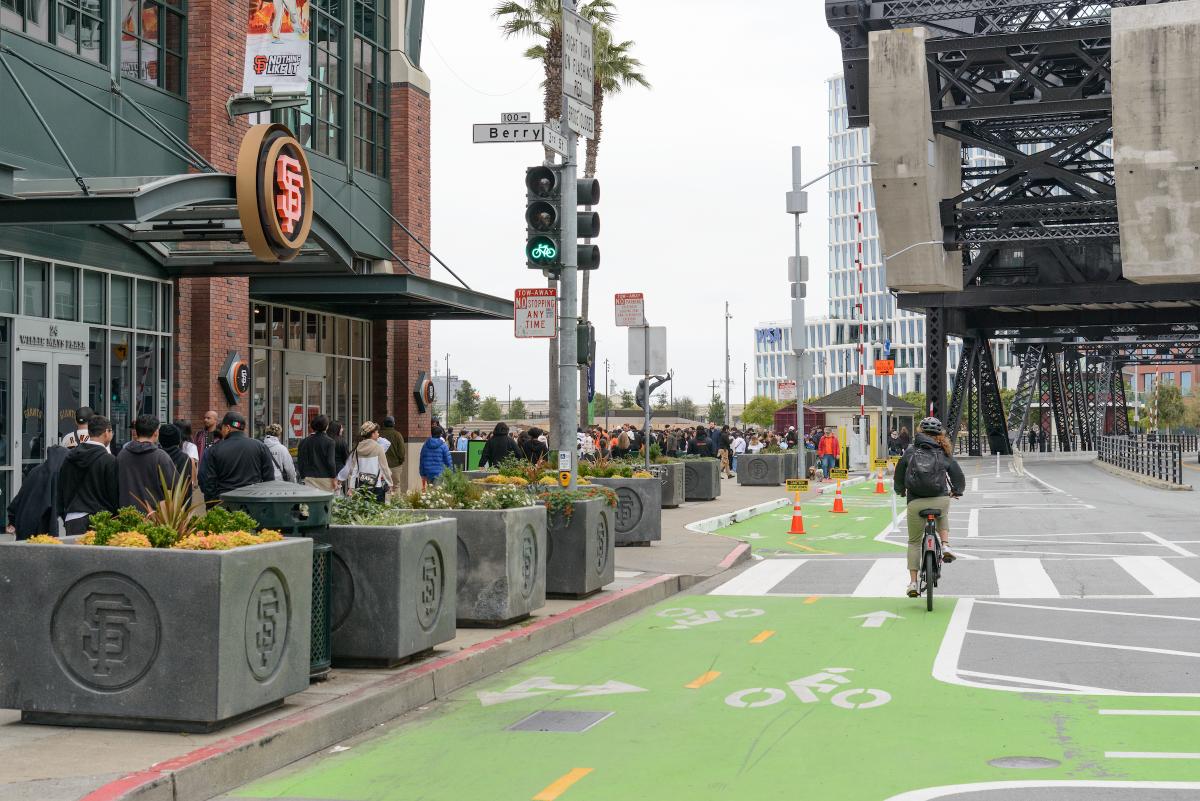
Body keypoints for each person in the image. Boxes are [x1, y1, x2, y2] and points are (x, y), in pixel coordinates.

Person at [893, 416, 966, 598]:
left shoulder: (910, 451)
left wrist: (900, 490)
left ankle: (913, 583)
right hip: (939, 499)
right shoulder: (944, 451)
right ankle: (946, 545)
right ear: (939, 434)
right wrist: (956, 491)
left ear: (920, 431)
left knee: (914, 542)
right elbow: (958, 475)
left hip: (916, 502)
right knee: (943, 510)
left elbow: (899, 474)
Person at [57, 415, 119, 536]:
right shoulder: (109, 460)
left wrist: (64, 514)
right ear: (106, 432)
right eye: (112, 431)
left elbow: (61, 487)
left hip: (73, 518)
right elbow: (113, 493)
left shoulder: (69, 457)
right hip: (100, 519)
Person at [198, 411, 275, 502]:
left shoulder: (213, 450)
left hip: (224, 503)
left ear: (227, 428)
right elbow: (269, 478)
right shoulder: (260, 446)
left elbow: (206, 480)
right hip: (253, 503)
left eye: (222, 427)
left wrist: (212, 503)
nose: (221, 431)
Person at [6, 445, 68, 538]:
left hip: (25, 520)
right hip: (42, 524)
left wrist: (12, 520)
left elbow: (20, 496)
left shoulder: (36, 470)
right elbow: (60, 503)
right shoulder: (57, 475)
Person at [117, 414, 178, 509]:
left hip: (127, 514)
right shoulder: (161, 456)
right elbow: (175, 486)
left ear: (136, 432)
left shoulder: (122, 455)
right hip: (154, 516)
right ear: (156, 432)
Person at [340, 421, 391, 502]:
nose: (378, 435)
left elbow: (354, 471)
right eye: (377, 432)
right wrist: (390, 483)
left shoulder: (357, 449)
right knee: (377, 513)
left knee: (363, 512)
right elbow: (384, 468)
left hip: (362, 486)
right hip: (376, 486)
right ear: (373, 434)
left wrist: (351, 487)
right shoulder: (379, 448)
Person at [298, 414, 339, 492]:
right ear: (326, 426)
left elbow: (300, 461)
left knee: (309, 503)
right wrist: (334, 478)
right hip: (325, 479)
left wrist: (303, 476)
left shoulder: (304, 441)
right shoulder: (330, 442)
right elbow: (331, 462)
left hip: (308, 478)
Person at [158, 423, 195, 487]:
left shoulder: (156, 455)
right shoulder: (184, 458)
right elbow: (187, 484)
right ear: (178, 439)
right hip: (179, 495)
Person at [378, 416, 407, 498]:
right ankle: (395, 504)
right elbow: (401, 452)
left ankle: (383, 504)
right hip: (395, 465)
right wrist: (401, 461)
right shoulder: (397, 435)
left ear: (383, 424)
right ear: (394, 424)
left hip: (380, 466)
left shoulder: (379, 434)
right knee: (396, 486)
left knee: (381, 486)